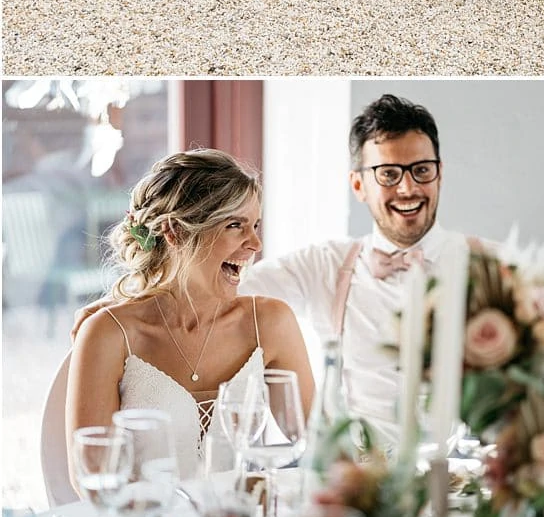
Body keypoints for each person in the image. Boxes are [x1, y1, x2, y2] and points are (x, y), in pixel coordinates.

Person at [239, 94, 480, 444]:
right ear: (358, 185)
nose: (408, 188)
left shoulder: (493, 267)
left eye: (421, 170)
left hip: (460, 480)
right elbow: (226, 292)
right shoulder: (324, 265)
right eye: (388, 174)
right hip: (357, 476)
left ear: (439, 174)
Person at [68, 150, 314, 481]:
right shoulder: (108, 334)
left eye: (255, 225)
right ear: (175, 232)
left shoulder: (271, 323)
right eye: (234, 225)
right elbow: (93, 478)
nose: (255, 243)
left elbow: (318, 446)